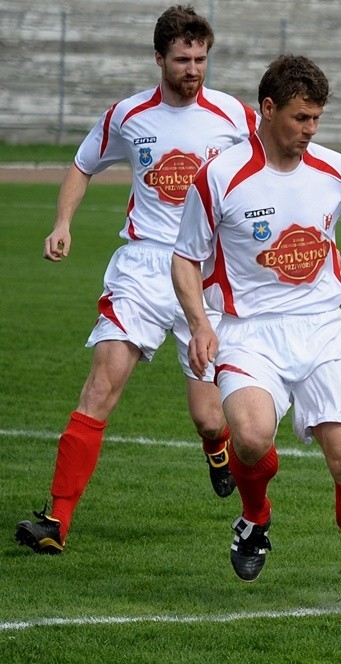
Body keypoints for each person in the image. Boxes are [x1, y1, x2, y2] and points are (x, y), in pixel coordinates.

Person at [171, 54, 341, 612]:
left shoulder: (334, 169)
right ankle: (255, 517)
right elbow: (185, 259)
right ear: (267, 109)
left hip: (322, 329)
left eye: (317, 119)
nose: (309, 131)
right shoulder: (221, 176)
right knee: (249, 438)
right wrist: (201, 323)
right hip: (247, 331)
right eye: (300, 118)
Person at [15, 5, 258, 555]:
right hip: (143, 268)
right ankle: (56, 522)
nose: (193, 69)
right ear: (159, 59)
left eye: (200, 59)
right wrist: (62, 223)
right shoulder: (127, 115)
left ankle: (216, 448)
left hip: (205, 275)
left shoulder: (235, 116)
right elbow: (82, 164)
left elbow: (280, 176)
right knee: (101, 386)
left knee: (210, 417)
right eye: (182, 59)